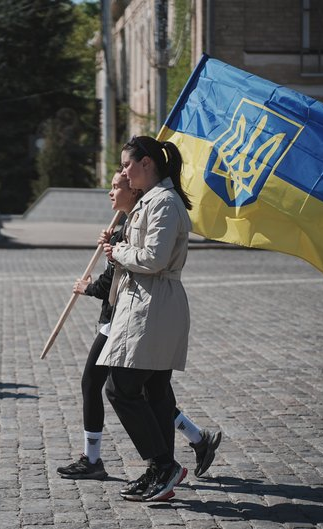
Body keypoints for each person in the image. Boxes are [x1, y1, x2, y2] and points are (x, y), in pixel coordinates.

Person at [56, 171, 222, 486]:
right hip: (123, 319)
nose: (111, 191)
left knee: (106, 386)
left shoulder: (134, 226)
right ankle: (196, 441)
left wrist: (88, 286)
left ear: (133, 192)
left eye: (117, 185)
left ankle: (106, 461)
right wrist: (112, 246)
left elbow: (115, 282)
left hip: (124, 321)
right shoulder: (123, 228)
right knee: (153, 394)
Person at [96, 135, 193, 502]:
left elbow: (153, 258)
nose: (123, 171)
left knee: (120, 387)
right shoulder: (151, 200)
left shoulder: (164, 203)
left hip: (154, 303)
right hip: (145, 301)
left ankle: (162, 465)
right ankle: (160, 471)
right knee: (155, 392)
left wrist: (118, 249)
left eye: (127, 164)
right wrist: (118, 247)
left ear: (147, 163)